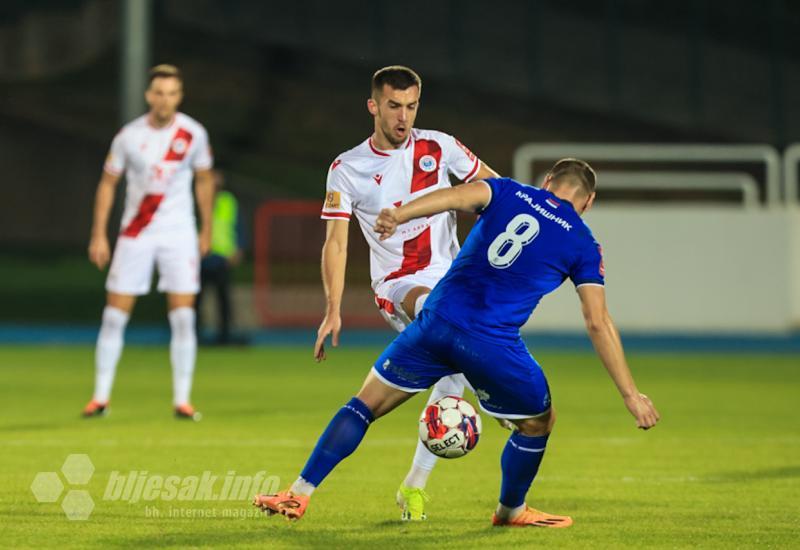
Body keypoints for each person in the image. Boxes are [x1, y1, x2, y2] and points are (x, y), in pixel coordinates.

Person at [254, 159, 660, 526]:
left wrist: (399, 214)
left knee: (364, 404)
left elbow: (451, 196)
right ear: (588, 202)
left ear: (548, 180)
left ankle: (298, 493)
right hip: (491, 344)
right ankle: (511, 510)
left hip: (435, 323)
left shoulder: (506, 190)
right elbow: (598, 321)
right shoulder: (584, 244)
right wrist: (629, 394)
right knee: (538, 423)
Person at [313, 65, 499, 520]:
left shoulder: (442, 146)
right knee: (448, 326)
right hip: (398, 286)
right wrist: (332, 308)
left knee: (452, 367)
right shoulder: (348, 168)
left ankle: (414, 485)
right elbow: (336, 242)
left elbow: (494, 190)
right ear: (374, 106)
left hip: (451, 280)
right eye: (394, 106)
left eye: (411, 106)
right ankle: (501, 399)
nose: (404, 117)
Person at [82, 64, 214, 421]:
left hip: (178, 233)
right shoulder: (128, 136)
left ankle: (183, 400)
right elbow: (108, 184)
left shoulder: (193, 133)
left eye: (171, 93)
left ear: (179, 96)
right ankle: (100, 397)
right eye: (159, 93)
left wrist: (206, 229)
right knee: (113, 315)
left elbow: (204, 180)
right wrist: (98, 233)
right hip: (136, 232)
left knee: (184, 316)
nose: (164, 100)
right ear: (148, 95)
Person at [196, 169, 244, 345]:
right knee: (195, 300)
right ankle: (193, 336)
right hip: (201, 257)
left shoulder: (228, 201)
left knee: (223, 300)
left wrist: (238, 247)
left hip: (222, 257)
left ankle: (224, 336)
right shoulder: (198, 198)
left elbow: (238, 224)